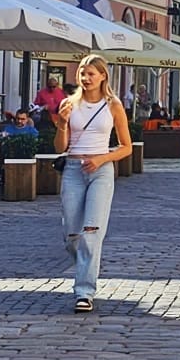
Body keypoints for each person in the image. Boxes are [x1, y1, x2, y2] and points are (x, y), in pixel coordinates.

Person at [54, 54, 133, 313]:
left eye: (91, 74)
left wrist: (102, 159)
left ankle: (84, 291)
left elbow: (126, 147)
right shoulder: (68, 104)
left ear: (102, 76)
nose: (86, 78)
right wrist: (62, 123)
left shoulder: (113, 105)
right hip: (74, 170)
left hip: (101, 171)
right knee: (72, 236)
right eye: (82, 73)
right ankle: (88, 263)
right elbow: (59, 147)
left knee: (91, 233)